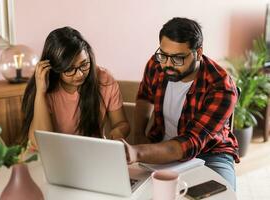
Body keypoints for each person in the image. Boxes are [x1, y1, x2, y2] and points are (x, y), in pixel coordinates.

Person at [123, 17, 239, 190]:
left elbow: (190, 143)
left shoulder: (221, 86)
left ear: (198, 53)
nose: (167, 65)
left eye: (178, 58)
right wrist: (139, 135)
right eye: (163, 55)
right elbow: (145, 96)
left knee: (222, 193)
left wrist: (137, 152)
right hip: (161, 144)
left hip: (211, 153)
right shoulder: (157, 63)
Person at [22, 26, 130, 148]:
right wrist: (41, 92)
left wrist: (119, 131)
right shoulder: (45, 86)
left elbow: (121, 123)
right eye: (70, 69)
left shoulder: (104, 80)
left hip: (91, 154)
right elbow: (39, 143)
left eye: (84, 64)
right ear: (54, 68)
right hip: (53, 155)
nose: (79, 74)